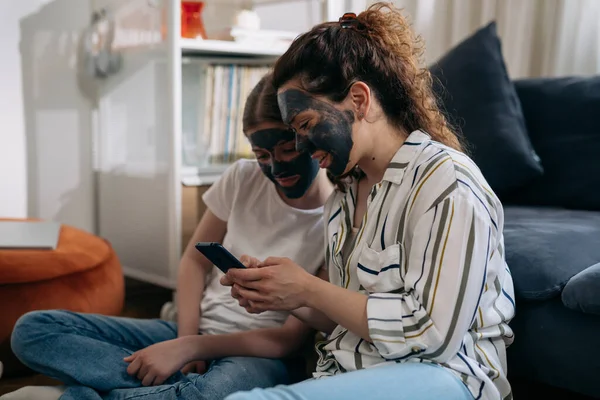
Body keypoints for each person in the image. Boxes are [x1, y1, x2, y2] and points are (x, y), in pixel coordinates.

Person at [220, 3, 516, 400]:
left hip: (446, 378)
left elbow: (430, 334)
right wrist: (283, 294)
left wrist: (308, 288)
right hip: (350, 373)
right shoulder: (343, 195)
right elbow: (346, 320)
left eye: (306, 125)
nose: (300, 146)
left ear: (359, 99)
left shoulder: (448, 184)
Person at [6, 73, 333, 400]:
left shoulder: (338, 217)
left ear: (310, 138)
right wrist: (183, 342)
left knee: (212, 392)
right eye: (261, 155)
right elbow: (193, 261)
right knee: (32, 330)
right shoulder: (242, 178)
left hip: (257, 356)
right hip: (188, 330)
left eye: (288, 149)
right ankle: (162, 388)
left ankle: (89, 393)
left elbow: (286, 340)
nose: (275, 167)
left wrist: (192, 347)